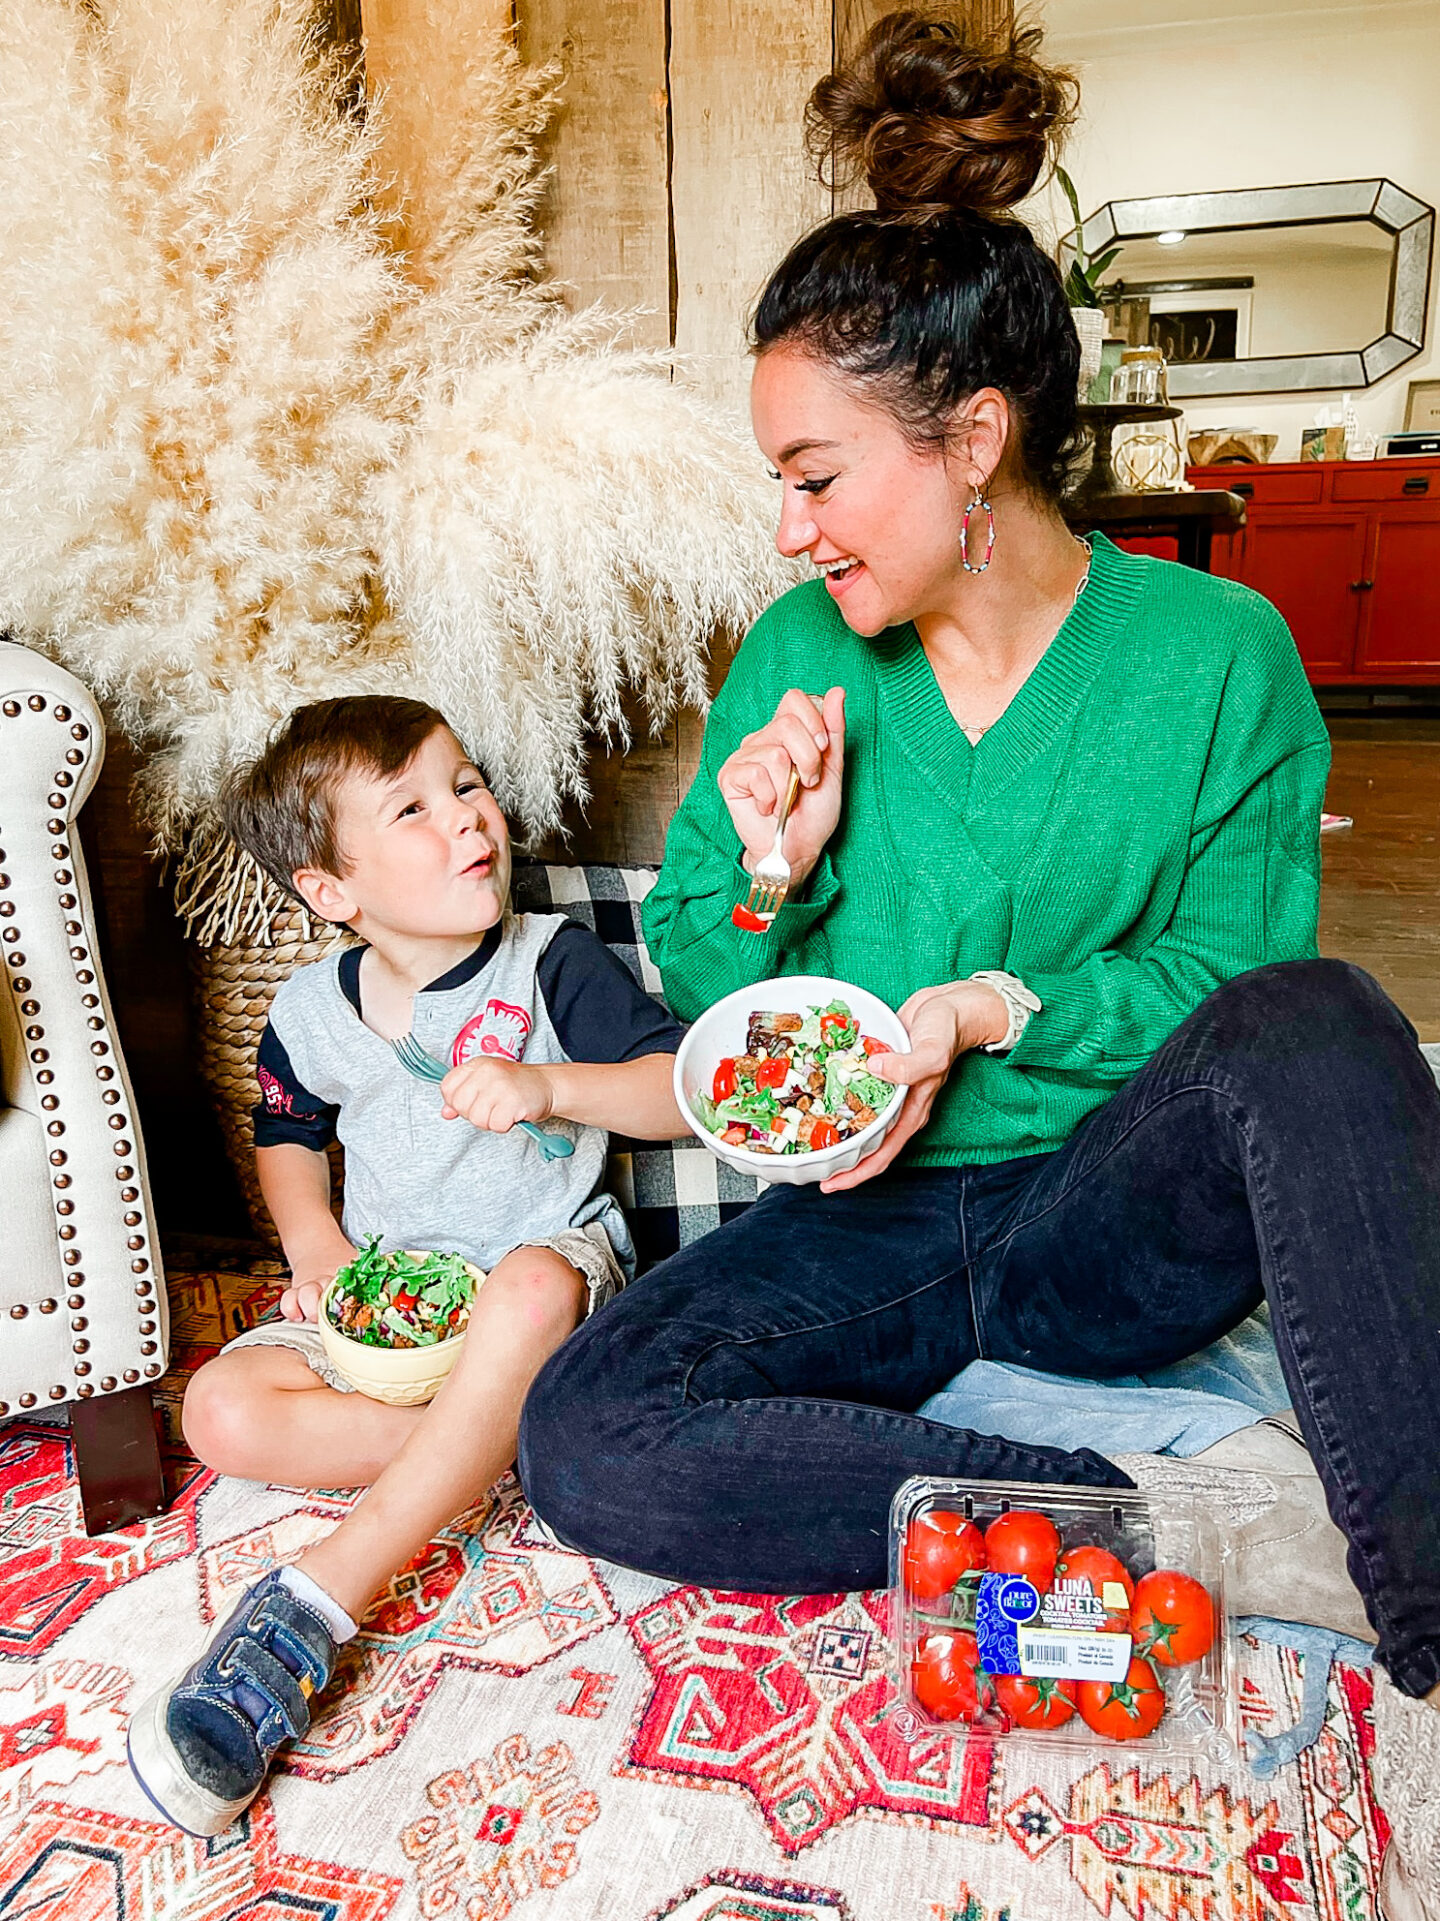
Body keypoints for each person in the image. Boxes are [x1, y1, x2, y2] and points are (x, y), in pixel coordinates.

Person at [515, 5, 1440, 1824]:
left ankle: (1415, 1577)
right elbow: (704, 978)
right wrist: (771, 860)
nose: (791, 532)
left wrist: (981, 1010)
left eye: (814, 477)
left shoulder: (1214, 656)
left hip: (1106, 1208)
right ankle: (1165, 1508)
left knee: (1326, 1015)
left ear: (971, 443)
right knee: (588, 1432)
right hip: (863, 1223)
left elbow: (1225, 980)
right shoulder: (797, 657)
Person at [126, 695, 686, 1838]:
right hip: (392, 1299)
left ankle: (320, 1595)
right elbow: (285, 1133)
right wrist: (316, 1246)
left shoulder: (547, 963)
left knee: (530, 1287)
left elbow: (679, 1093)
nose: (468, 820)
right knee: (222, 1412)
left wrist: (551, 1086)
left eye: (467, 785)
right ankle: (499, 1443)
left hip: (540, 1276)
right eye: (415, 811)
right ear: (334, 893)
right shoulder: (309, 1011)